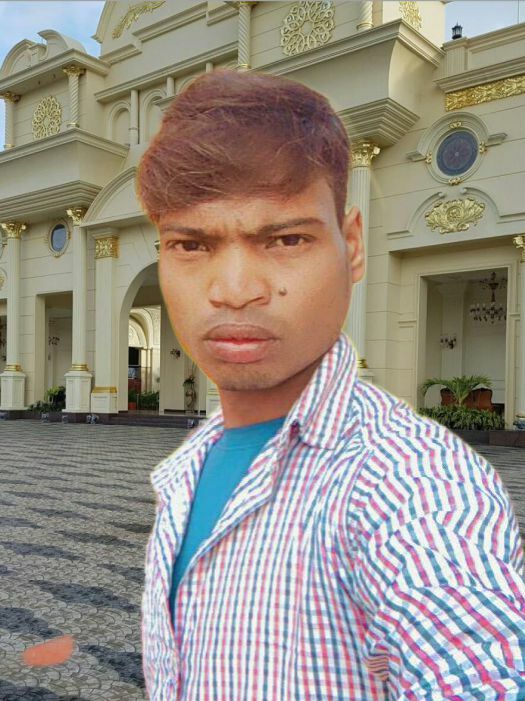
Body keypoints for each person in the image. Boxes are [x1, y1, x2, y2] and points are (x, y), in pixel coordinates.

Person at [137, 69, 525, 700]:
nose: (234, 289)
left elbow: (476, 658)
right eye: (191, 245)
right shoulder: (191, 461)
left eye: (286, 238)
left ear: (352, 246)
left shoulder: (410, 479)